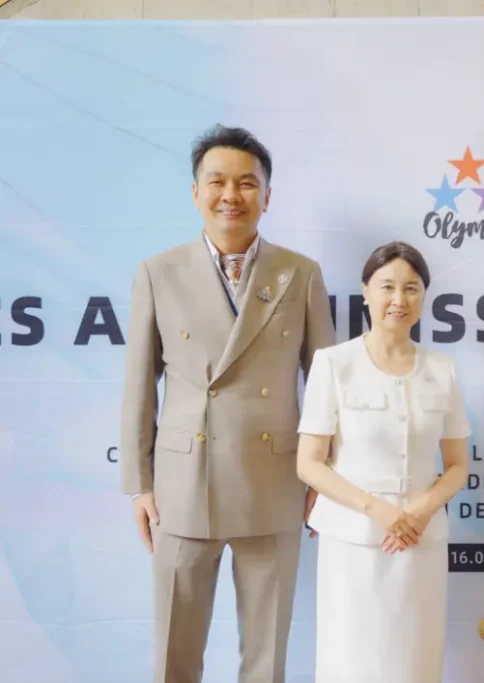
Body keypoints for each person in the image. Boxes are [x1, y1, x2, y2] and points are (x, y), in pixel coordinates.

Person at [119, 124, 336, 683]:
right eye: (217, 181)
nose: (231, 195)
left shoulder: (300, 273)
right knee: (175, 652)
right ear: (196, 193)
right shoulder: (157, 272)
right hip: (182, 484)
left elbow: (328, 385)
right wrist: (140, 484)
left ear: (267, 195)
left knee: (266, 657)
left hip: (275, 480)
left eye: (246, 183)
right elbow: (139, 385)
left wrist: (322, 477)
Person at [295, 241, 472, 683]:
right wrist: (378, 510)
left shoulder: (442, 368)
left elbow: (457, 465)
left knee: (415, 660)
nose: (399, 300)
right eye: (387, 287)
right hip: (353, 542)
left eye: (411, 288)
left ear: (424, 296)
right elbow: (310, 464)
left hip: (420, 542)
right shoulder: (334, 363)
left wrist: (421, 510)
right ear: (366, 292)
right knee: (352, 660)